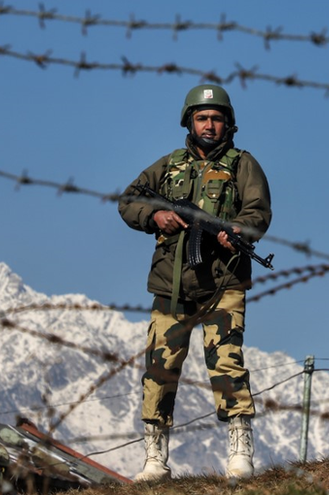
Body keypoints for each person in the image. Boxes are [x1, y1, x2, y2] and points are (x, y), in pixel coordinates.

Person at [118, 83, 273, 482]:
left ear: (228, 125)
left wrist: (236, 230)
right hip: (170, 285)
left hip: (224, 283)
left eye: (216, 119)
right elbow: (129, 200)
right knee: (159, 369)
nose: (209, 125)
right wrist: (156, 217)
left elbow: (257, 210)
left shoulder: (243, 165)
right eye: (202, 118)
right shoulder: (168, 166)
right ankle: (155, 458)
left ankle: (240, 449)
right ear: (190, 122)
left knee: (227, 364)